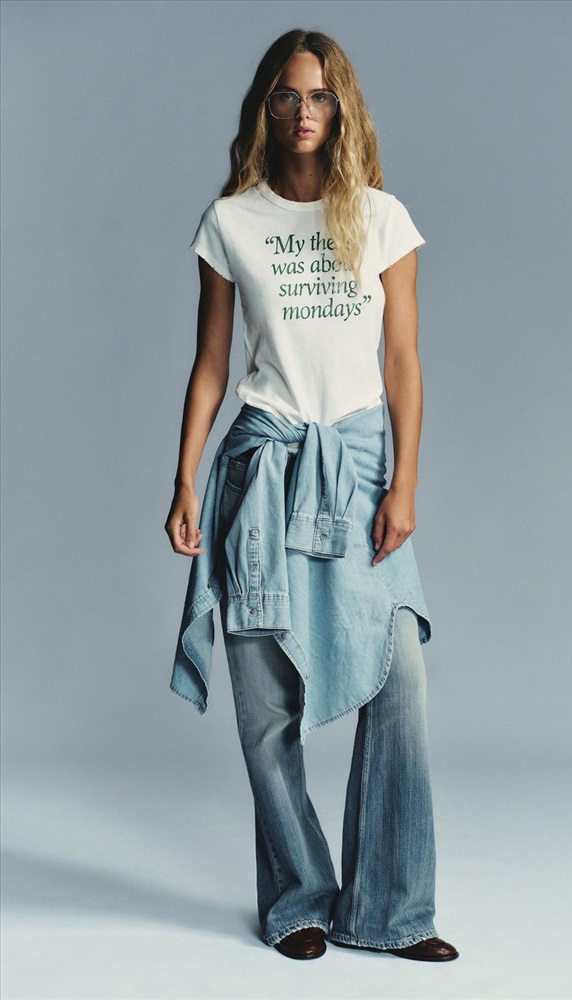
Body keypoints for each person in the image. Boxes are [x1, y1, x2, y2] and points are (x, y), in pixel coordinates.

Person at [164, 28, 459, 964]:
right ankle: (297, 899)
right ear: (266, 106)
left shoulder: (380, 217)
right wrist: (184, 478)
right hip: (262, 465)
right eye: (288, 96)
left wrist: (404, 481)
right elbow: (211, 364)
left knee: (397, 680)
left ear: (343, 109)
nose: (303, 112)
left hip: (360, 462)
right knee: (264, 702)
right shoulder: (231, 222)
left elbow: (403, 361)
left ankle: (390, 909)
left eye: (321, 96)